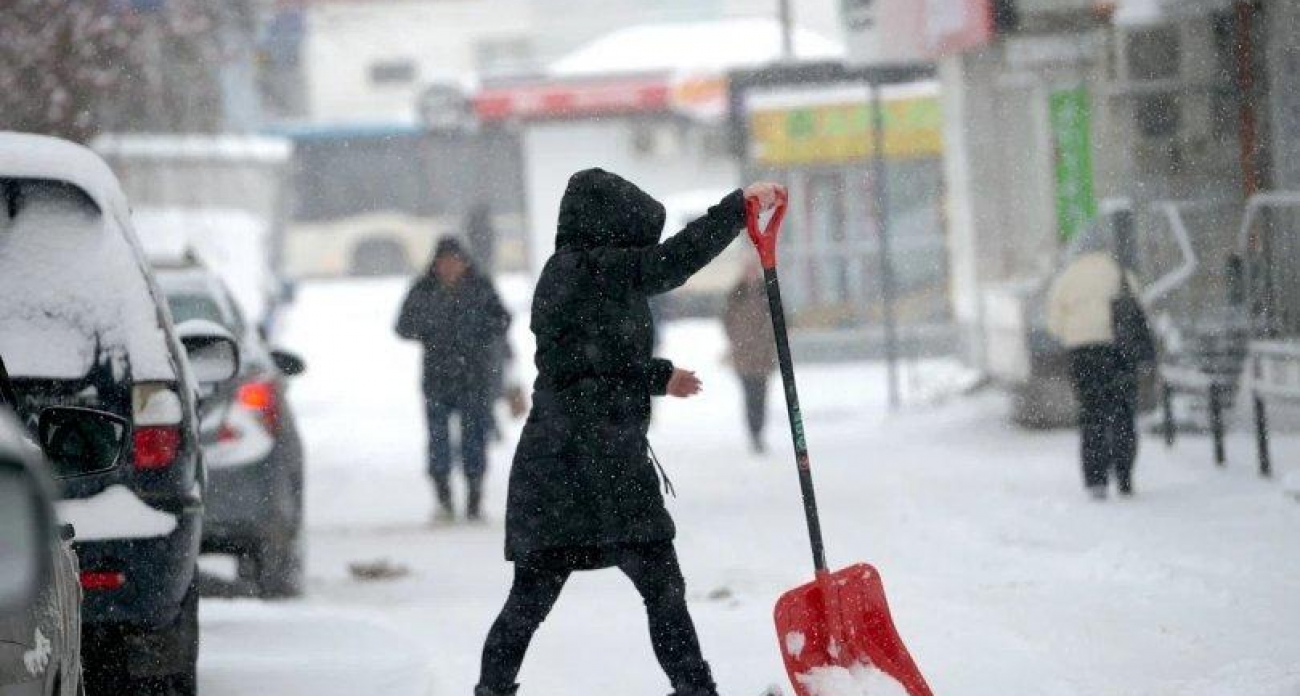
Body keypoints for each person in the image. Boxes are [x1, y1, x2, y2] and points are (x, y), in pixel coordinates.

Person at [474, 169, 784, 696]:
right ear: (607, 225)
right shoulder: (585, 267)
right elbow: (668, 265)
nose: (639, 251)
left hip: (573, 458)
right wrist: (736, 210)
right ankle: (694, 690)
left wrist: (659, 376)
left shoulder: (579, 272)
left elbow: (591, 363)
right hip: (586, 461)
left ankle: (495, 690)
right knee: (625, 589)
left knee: (556, 594)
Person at [397, 237, 510, 522]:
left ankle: (474, 498)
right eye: (444, 261)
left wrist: (475, 331)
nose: (449, 267)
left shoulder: (480, 287)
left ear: (464, 262)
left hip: (474, 378)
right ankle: (444, 497)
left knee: (474, 440)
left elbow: (502, 320)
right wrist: (430, 330)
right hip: (437, 379)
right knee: (439, 442)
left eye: (454, 261)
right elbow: (402, 325)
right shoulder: (424, 290)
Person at [1046, 217, 1147, 500]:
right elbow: (1138, 306)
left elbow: (1054, 323)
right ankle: (1125, 474)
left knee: (1092, 413)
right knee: (1123, 411)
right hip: (1118, 350)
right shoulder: (1119, 272)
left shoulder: (1067, 278)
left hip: (1083, 353)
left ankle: (1096, 479)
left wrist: (1074, 333)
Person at [723, 263, 776, 453]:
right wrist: (738, 342)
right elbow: (727, 322)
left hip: (763, 355)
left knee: (760, 396)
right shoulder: (736, 295)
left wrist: (769, 342)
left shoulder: (768, 292)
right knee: (749, 395)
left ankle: (759, 432)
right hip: (744, 357)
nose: (751, 275)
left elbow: (780, 320)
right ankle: (753, 432)